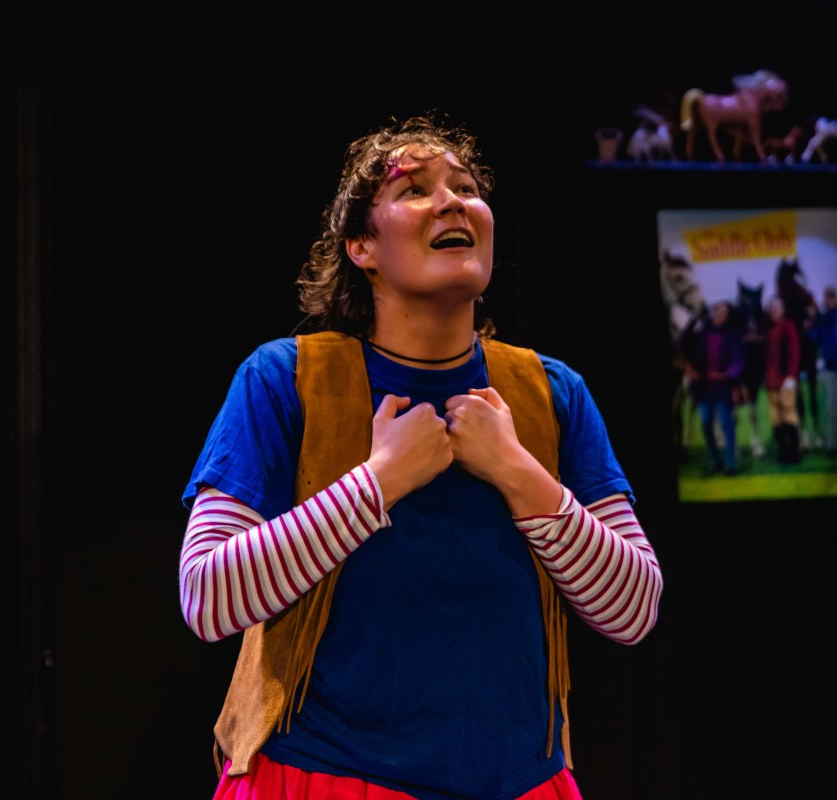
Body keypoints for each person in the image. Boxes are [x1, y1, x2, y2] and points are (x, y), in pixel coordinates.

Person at [178, 115, 663, 800]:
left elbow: (634, 609)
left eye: (465, 187)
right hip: (328, 780)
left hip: (519, 782)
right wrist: (377, 484)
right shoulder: (284, 379)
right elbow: (208, 597)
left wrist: (519, 474)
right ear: (361, 246)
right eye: (414, 191)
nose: (452, 201)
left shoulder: (550, 394)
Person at [681, 299, 744, 475]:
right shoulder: (703, 332)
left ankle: (731, 463)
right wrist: (694, 319)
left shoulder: (732, 334)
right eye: (718, 311)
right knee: (706, 423)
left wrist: (728, 375)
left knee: (727, 424)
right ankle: (714, 461)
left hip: (722, 387)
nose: (720, 315)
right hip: (704, 388)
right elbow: (685, 341)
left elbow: (737, 359)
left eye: (724, 312)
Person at [763, 294, 801, 464]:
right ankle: (783, 453)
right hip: (771, 381)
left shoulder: (788, 326)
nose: (774, 310)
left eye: (777, 307)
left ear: (783, 309)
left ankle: (793, 452)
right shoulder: (768, 329)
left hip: (785, 380)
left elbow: (794, 351)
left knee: (789, 415)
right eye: (772, 307)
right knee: (776, 418)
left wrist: (791, 375)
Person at [813, 286, 837, 453]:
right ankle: (832, 444)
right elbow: (814, 338)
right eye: (827, 297)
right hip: (831, 369)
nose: (829, 301)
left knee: (836, 409)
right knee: (830, 408)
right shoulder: (824, 321)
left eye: (832, 297)